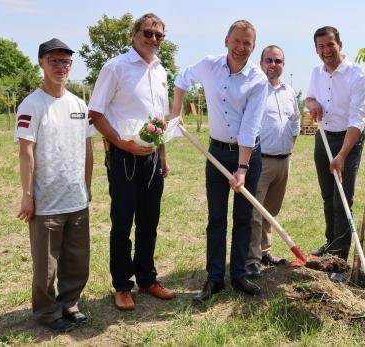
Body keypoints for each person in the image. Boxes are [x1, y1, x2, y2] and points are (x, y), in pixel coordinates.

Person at [172, 20, 267, 301]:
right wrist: (176, 113)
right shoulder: (208, 65)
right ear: (226, 40)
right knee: (216, 218)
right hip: (215, 153)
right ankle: (214, 278)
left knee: (243, 217)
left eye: (247, 43)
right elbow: (181, 79)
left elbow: (250, 127)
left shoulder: (257, 80)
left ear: (253, 46)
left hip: (247, 154)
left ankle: (238, 274)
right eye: (236, 41)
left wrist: (242, 168)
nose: (241, 48)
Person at [88, 13, 177, 311]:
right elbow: (96, 114)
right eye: (148, 33)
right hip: (123, 156)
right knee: (123, 223)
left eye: (159, 35)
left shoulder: (161, 70)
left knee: (149, 223)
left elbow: (160, 121)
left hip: (151, 159)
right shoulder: (115, 68)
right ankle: (123, 285)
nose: (153, 39)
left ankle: (147, 279)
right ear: (134, 34)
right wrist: (121, 143)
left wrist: (162, 154)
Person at [15, 38, 93, 332]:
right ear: (41, 63)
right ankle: (47, 313)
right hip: (46, 201)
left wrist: (87, 185)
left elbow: (87, 148)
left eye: (65, 61)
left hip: (76, 198)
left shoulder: (78, 104)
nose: (61, 67)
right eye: (54, 61)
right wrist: (27, 195)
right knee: (46, 267)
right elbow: (26, 152)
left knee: (77, 261)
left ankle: (70, 303)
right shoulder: (31, 105)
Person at [305, 26, 365, 283]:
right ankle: (331, 245)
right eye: (320, 46)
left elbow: (357, 120)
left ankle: (340, 260)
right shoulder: (315, 72)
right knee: (327, 195)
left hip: (348, 139)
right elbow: (309, 98)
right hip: (323, 136)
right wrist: (313, 105)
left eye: (330, 45)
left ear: (340, 44)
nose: (326, 51)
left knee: (342, 199)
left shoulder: (356, 76)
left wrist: (342, 154)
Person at [244, 45, 301, 278]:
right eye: (269, 60)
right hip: (261, 160)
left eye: (278, 61)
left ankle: (265, 251)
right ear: (261, 62)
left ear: (283, 64)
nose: (273, 64)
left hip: (283, 160)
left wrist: (288, 146)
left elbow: (295, 122)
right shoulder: (256, 90)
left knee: (270, 210)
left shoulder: (289, 92)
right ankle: (251, 260)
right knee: (254, 213)